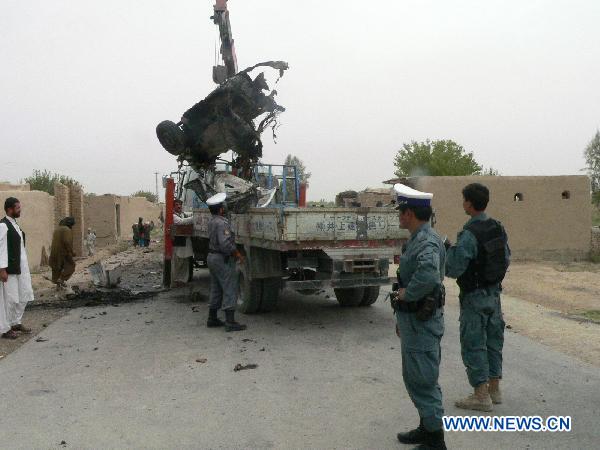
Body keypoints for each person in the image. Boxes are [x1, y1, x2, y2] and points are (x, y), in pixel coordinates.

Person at [445, 183, 510, 412]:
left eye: (463, 199)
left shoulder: (469, 234)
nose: (462, 203)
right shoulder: (497, 227)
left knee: (473, 343)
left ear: (469, 203)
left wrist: (448, 250)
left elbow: (453, 268)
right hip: (494, 295)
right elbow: (506, 258)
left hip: (474, 296)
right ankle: (494, 389)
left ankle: (481, 395)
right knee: (493, 341)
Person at [392, 184, 446, 450]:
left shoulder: (426, 241)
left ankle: (436, 441)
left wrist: (406, 295)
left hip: (422, 322)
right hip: (414, 322)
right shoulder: (418, 238)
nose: (399, 217)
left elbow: (428, 274)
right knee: (415, 377)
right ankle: (427, 428)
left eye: (401, 212)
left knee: (423, 379)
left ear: (410, 213)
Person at [205, 192, 246, 332]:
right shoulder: (222, 223)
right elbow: (225, 244)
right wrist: (237, 254)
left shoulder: (212, 221)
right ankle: (230, 321)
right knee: (230, 287)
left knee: (216, 288)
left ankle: (212, 318)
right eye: (224, 206)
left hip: (212, 257)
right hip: (221, 258)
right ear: (221, 209)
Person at [0, 197, 35, 339]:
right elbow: (1, 249)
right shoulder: (3, 225)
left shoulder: (14, 224)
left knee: (25, 294)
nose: (20, 210)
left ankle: (16, 322)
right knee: (11, 299)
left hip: (21, 267)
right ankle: (5, 328)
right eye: (18, 208)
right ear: (10, 209)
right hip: (10, 269)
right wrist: (2, 269)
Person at [49, 217, 76, 288]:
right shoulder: (67, 230)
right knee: (71, 266)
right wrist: (72, 252)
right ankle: (61, 280)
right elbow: (67, 242)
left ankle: (58, 286)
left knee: (57, 268)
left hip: (54, 253)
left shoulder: (56, 230)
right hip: (63, 253)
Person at [171, 199, 194, 286]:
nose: (179, 206)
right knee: (178, 263)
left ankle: (183, 281)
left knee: (185, 263)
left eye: (180, 205)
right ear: (174, 206)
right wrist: (194, 218)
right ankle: (175, 280)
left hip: (186, 242)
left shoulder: (183, 214)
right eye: (177, 205)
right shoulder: (173, 216)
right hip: (178, 243)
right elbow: (181, 222)